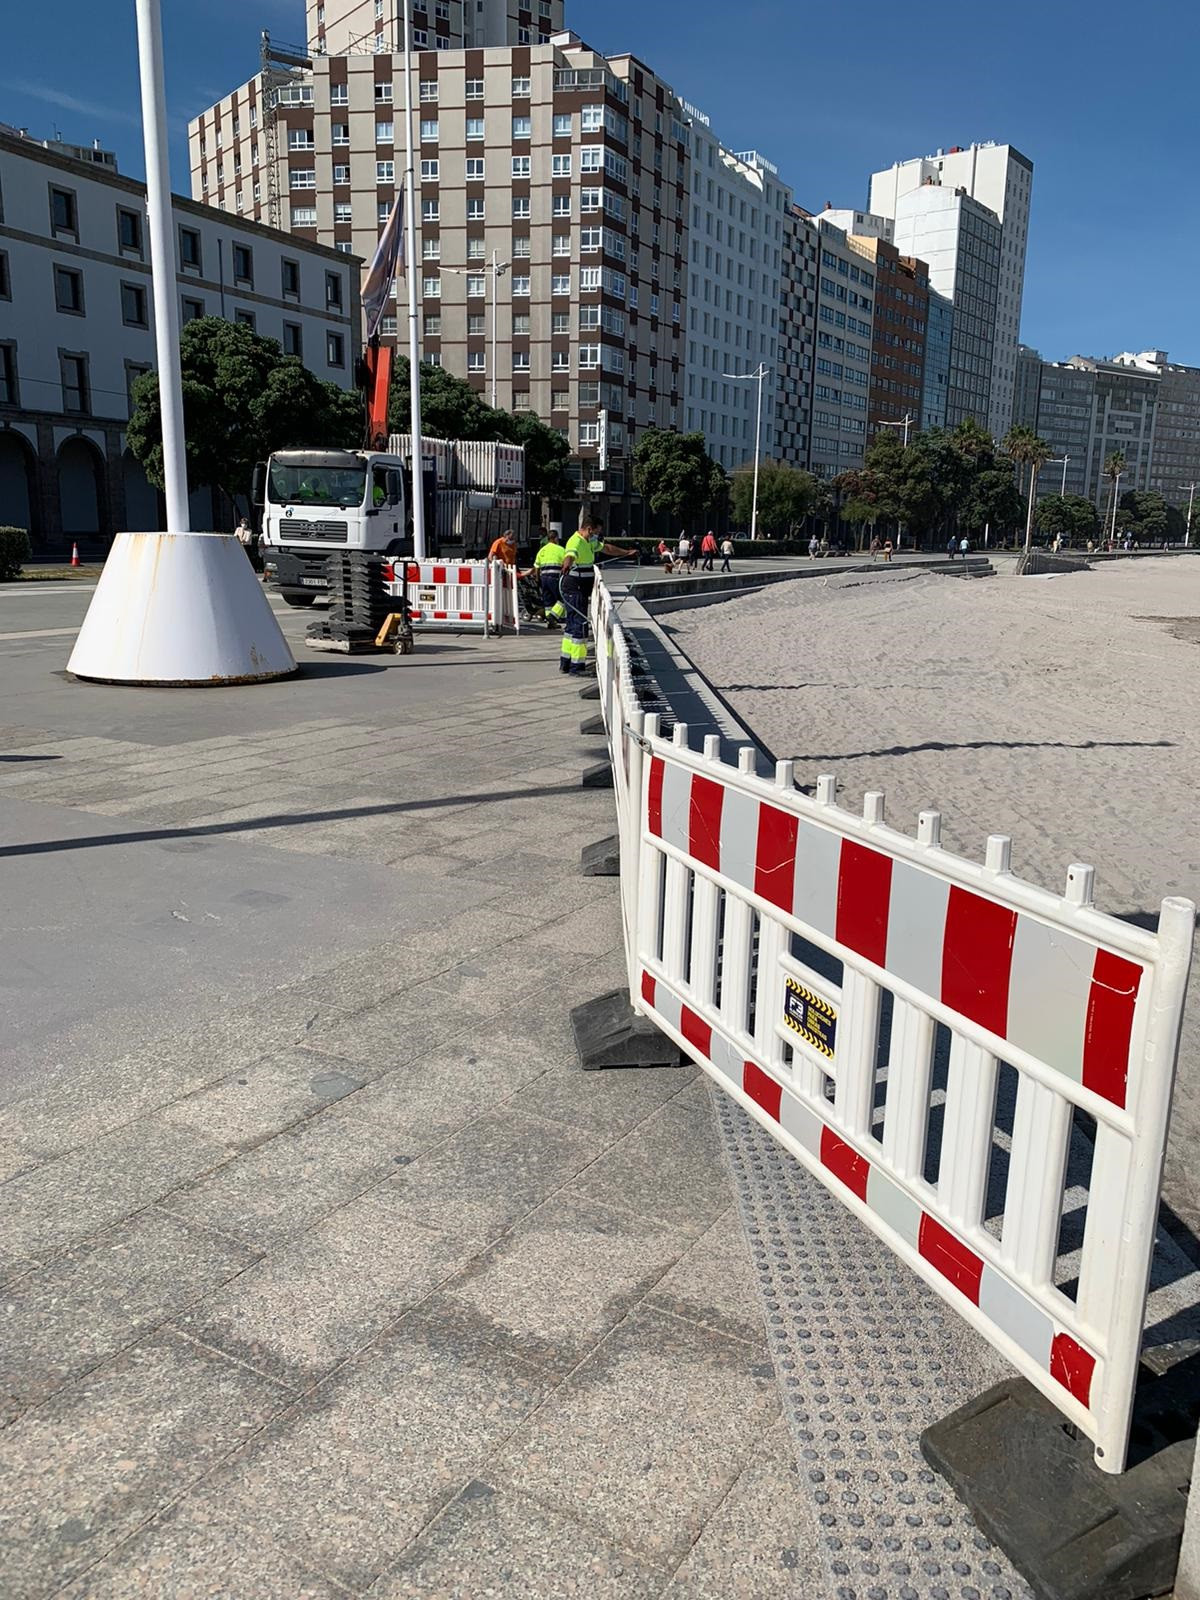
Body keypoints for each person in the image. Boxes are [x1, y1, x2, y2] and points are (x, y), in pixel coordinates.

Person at [558, 516, 636, 675]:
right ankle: (576, 667)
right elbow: (570, 555)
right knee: (580, 625)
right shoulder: (576, 541)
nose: (597, 536)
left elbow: (606, 548)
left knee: (572, 625)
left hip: (578, 587)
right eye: (596, 532)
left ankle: (565, 663)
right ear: (589, 529)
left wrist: (626, 552)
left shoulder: (588, 541)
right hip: (575, 587)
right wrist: (566, 564)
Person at [533, 530, 567, 626]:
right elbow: (566, 563)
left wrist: (537, 578)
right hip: (555, 578)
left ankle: (550, 621)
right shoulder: (560, 549)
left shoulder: (542, 550)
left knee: (548, 601)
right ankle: (553, 616)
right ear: (555, 538)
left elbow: (536, 566)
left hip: (544, 578)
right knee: (563, 598)